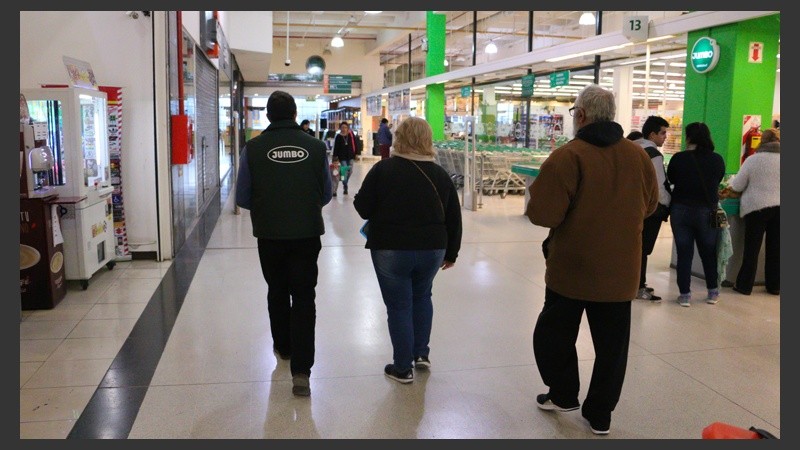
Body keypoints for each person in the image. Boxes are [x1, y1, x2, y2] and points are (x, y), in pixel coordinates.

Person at [525, 84, 658, 436]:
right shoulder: (637, 156)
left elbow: (543, 213)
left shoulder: (569, 156)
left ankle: (564, 393)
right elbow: (651, 205)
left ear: (580, 115)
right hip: (621, 269)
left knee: (553, 334)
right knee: (612, 348)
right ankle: (600, 414)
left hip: (572, 268)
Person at [235, 90, 332, 397]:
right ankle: (302, 371)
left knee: (277, 291)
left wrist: (270, 207)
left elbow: (242, 197)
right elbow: (327, 193)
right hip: (306, 235)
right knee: (304, 296)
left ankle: (284, 347)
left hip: (270, 236)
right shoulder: (316, 148)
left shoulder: (252, 148)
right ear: (293, 114)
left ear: (267, 116)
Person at [353, 117, 463, 385]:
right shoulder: (440, 175)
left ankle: (402, 368)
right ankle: (421, 353)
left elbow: (363, 208)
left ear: (399, 138)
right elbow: (454, 217)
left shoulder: (384, 170)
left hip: (392, 248)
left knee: (399, 305)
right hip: (432, 248)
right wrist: (452, 253)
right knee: (422, 296)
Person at [666, 122, 726, 307]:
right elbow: (718, 180)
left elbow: (672, 179)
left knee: (684, 253)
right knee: (709, 252)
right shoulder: (717, 159)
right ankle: (712, 293)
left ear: (689, 137)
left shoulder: (679, 158)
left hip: (681, 209)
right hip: (708, 210)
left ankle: (685, 295)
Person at [724, 128, 780, 295]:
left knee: (751, 249)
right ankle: (775, 285)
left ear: (762, 141)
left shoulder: (753, 160)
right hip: (781, 208)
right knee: (776, 248)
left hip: (756, 208)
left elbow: (738, 185)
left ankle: (744, 285)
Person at [633, 116, 672, 302]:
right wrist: (666, 204)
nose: (665, 137)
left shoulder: (631, 148)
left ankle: (633, 283)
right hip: (650, 209)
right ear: (652, 134)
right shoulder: (654, 154)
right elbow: (658, 185)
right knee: (643, 249)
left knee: (633, 246)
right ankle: (639, 287)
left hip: (631, 206)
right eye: (663, 133)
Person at [332, 121, 357, 195]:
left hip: (350, 156)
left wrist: (356, 153)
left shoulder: (351, 135)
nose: (344, 129)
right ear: (340, 128)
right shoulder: (338, 136)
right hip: (342, 157)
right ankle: (345, 185)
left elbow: (355, 144)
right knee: (344, 171)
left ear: (348, 128)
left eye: (345, 127)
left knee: (350, 171)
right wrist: (335, 157)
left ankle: (344, 181)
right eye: (342, 127)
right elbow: (336, 148)